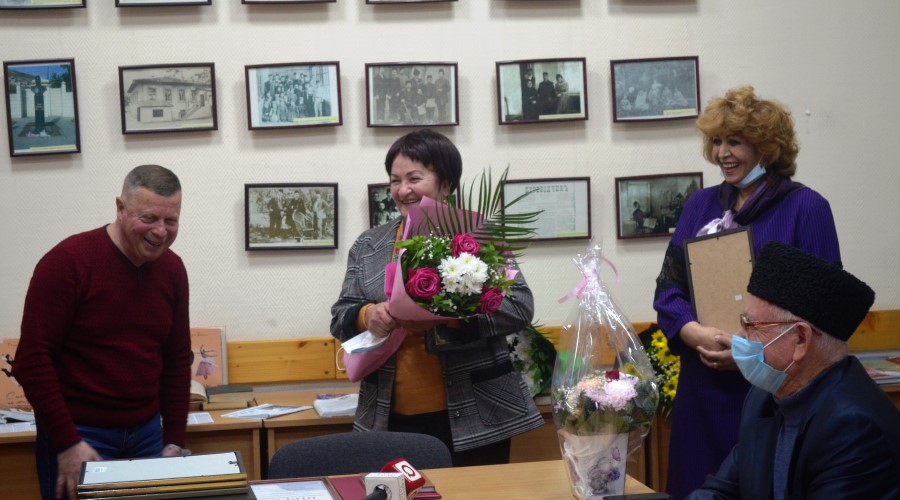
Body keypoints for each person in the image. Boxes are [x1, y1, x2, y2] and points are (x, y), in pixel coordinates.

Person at [652, 86, 841, 499]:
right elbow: (668, 290)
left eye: (735, 141)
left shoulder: (806, 208)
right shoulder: (699, 206)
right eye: (716, 141)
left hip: (770, 394)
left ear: (766, 147)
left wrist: (751, 353)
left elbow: (824, 313)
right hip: (702, 390)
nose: (722, 153)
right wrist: (693, 333)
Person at [330, 129, 543, 467]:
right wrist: (368, 315)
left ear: (446, 184)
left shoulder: (477, 235)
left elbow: (519, 306)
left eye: (414, 178)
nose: (403, 190)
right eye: (395, 180)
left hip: (477, 414)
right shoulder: (368, 245)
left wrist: (445, 319)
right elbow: (340, 315)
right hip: (388, 417)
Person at [14, 165, 191, 500]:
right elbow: (32, 361)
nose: (161, 231)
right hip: (79, 435)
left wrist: (174, 440)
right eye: (149, 218)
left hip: (148, 435)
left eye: (171, 220)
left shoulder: (172, 270)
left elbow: (177, 358)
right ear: (120, 208)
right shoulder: (68, 263)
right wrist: (67, 442)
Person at [687, 242, 900, 499]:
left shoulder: (854, 428)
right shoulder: (763, 398)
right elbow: (722, 490)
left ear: (800, 339)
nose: (740, 336)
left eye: (751, 325)